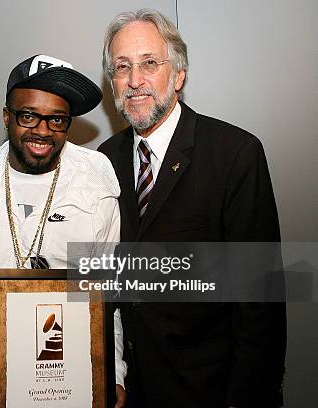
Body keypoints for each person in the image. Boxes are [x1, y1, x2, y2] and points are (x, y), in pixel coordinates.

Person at [97, 9, 286, 408]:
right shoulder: (104, 160)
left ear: (179, 75)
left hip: (209, 390)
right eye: (122, 67)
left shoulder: (235, 154)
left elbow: (260, 301)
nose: (134, 81)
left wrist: (250, 396)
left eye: (149, 63)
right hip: (128, 390)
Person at [0, 54, 127, 408]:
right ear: (7, 117)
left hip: (74, 378)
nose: (42, 131)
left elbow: (107, 287)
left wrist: (113, 371)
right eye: (28, 115)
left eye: (56, 119)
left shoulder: (95, 177)